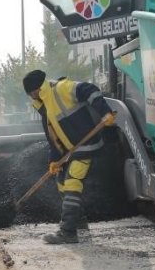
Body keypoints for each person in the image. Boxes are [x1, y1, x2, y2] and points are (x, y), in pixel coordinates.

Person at [23, 69, 114, 244]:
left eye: (30, 94)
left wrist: (105, 112)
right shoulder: (46, 106)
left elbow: (89, 89)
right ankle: (78, 221)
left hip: (85, 145)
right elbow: (54, 139)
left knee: (72, 183)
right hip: (70, 150)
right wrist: (54, 161)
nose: (31, 98)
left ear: (34, 90)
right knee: (62, 183)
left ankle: (68, 232)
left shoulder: (61, 88)